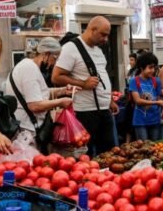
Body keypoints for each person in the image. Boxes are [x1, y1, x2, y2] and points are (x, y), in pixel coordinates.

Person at [51, 16, 119, 157]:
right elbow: (56, 77)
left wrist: (110, 99)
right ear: (92, 29)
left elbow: (102, 75)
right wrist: (83, 84)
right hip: (85, 112)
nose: (105, 39)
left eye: (107, 35)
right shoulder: (71, 48)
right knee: (86, 155)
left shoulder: (98, 50)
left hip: (104, 110)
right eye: (103, 34)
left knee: (109, 153)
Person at [5, 37, 75, 149]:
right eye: (55, 58)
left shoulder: (31, 67)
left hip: (28, 129)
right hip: (26, 132)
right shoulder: (29, 68)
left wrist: (63, 90)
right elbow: (34, 105)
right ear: (46, 54)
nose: (54, 63)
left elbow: (40, 93)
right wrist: (60, 102)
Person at [129, 52, 163, 141]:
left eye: (154, 67)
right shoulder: (134, 81)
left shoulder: (156, 81)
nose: (153, 70)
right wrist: (157, 102)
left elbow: (159, 99)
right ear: (141, 67)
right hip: (140, 121)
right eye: (150, 67)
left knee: (155, 147)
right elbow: (138, 100)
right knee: (144, 148)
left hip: (155, 119)